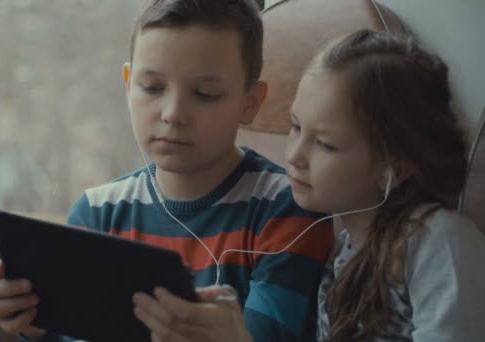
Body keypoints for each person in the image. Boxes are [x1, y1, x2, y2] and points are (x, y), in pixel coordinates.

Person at [0, 1, 334, 341]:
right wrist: (32, 320)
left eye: (205, 93)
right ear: (128, 85)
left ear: (250, 102)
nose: (173, 113)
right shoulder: (98, 212)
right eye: (152, 88)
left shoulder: (285, 211)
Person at [132, 29, 485, 342]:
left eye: (326, 145)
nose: (295, 156)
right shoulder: (341, 253)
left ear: (396, 166)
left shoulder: (438, 242)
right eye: (296, 127)